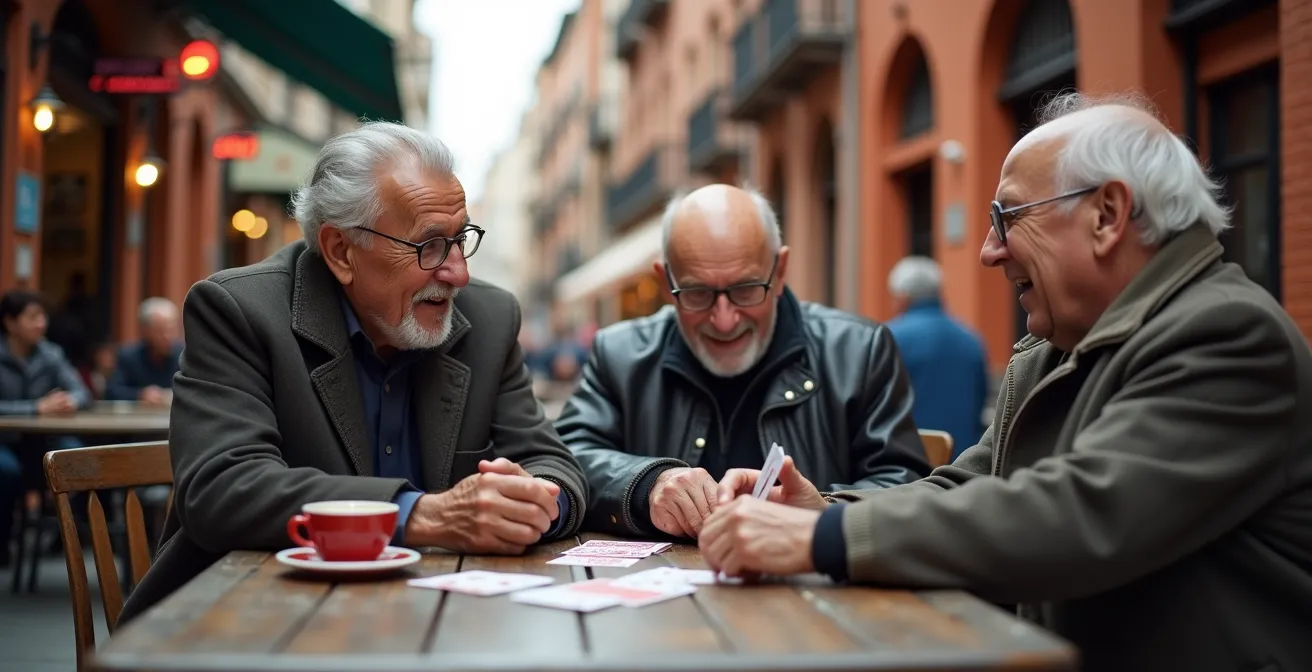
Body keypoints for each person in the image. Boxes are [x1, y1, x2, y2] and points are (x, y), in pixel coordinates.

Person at [697, 93, 1312, 671]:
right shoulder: (1064, 345)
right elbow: (964, 488)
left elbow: (1077, 515)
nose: (989, 250)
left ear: (1108, 214)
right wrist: (822, 509)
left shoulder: (1227, 333)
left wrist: (824, 538)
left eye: (1007, 216)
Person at [119, 122, 589, 623]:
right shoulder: (240, 310)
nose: (458, 272)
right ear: (341, 250)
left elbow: (552, 463)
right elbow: (222, 489)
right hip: (249, 621)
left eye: (461, 238)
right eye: (430, 246)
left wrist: (533, 503)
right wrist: (424, 515)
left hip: (429, 620)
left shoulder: (490, 320)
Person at [556, 184, 929, 540]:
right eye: (698, 293)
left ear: (779, 272)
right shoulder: (618, 353)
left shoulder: (859, 351)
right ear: (665, 282)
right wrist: (645, 484)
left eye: (746, 290)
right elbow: (567, 458)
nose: (725, 319)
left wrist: (822, 513)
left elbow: (906, 484)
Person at [0, 290, 91, 566]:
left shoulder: (50, 353)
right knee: (5, 471)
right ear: (10, 322)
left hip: (44, 441)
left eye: (42, 317)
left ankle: (65, 536)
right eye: (32, 317)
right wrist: (35, 407)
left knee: (78, 460)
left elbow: (82, 391)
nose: (41, 323)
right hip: (5, 441)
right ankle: (2, 542)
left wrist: (69, 400)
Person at [885, 256, 990, 459]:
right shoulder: (971, 339)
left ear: (902, 297)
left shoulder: (890, 338)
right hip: (964, 464)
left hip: (910, 466)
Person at [104, 297, 182, 405]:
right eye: (161, 331)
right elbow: (111, 392)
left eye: (171, 330)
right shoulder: (128, 356)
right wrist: (140, 394)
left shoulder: (184, 355)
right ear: (146, 331)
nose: (168, 336)